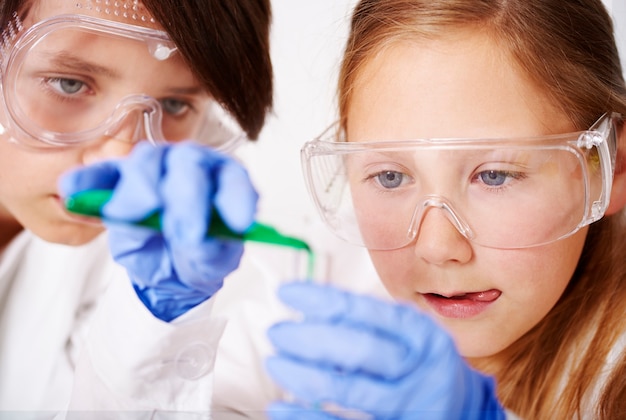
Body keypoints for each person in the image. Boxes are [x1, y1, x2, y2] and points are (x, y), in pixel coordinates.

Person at [264, 0, 626, 419]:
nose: (437, 247)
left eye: (494, 176)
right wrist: (178, 324)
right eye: (390, 177)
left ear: (612, 168)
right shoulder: (305, 293)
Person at [0, 0, 273, 415]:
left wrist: (160, 321)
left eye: (174, 106)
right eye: (69, 84)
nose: (123, 157)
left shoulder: (162, 261)